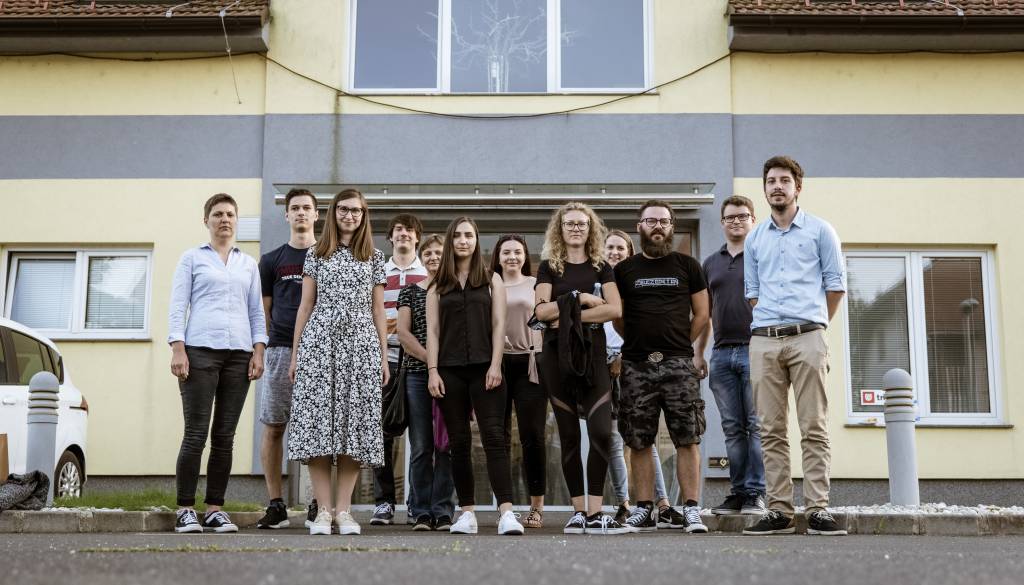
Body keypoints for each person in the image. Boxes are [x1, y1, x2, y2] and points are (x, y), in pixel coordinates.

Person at [742, 156, 847, 536]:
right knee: (770, 430)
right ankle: (780, 511)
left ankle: (817, 508)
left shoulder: (821, 231)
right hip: (764, 340)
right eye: (771, 181)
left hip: (808, 337)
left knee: (813, 426)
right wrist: (772, 326)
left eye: (784, 180)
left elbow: (835, 286)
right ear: (765, 188)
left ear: (797, 187)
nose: (777, 186)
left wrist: (814, 325)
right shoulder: (755, 238)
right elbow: (752, 293)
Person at [287, 188, 389, 536]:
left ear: (364, 215)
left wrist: (383, 356)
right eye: (344, 209)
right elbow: (305, 305)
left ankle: (344, 511)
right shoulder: (316, 253)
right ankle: (323, 511)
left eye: (356, 210)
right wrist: (296, 354)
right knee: (319, 427)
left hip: (361, 346)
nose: (349, 215)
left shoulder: (374, 256)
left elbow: (379, 310)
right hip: (320, 344)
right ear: (333, 213)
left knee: (354, 428)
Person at [168, 193, 267, 534]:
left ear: (236, 220)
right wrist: (177, 348)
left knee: (225, 436)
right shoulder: (192, 258)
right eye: (218, 214)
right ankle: (185, 509)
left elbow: (256, 311)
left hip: (239, 355)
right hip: (199, 352)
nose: (224, 219)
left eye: (230, 214)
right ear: (206, 220)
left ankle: (214, 510)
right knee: (195, 433)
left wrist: (258, 351)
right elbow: (178, 305)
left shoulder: (248, 264)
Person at [614, 200, 710, 534]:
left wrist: (680, 344)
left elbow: (702, 314)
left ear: (672, 226)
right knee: (639, 438)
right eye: (651, 221)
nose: (658, 226)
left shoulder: (688, 265)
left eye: (664, 221)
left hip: (679, 365)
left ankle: (692, 508)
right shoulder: (624, 270)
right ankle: (644, 508)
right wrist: (638, 343)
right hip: (636, 365)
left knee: (688, 436)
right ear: (639, 226)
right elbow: (618, 317)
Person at [426, 217, 524, 536]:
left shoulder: (492, 279)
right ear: (450, 241)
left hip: (486, 369)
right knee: (458, 442)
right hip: (449, 371)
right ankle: (467, 513)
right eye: (457, 235)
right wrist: (432, 371)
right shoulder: (437, 284)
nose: (463, 240)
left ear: (476, 240)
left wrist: (496, 365)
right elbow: (433, 332)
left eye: (468, 235)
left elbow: (498, 325)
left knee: (494, 437)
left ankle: (506, 512)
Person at [534, 202, 628, 535]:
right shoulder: (548, 267)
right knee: (569, 435)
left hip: (593, 356)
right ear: (559, 229)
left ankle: (596, 511)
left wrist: (568, 315)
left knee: (601, 431)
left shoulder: (602, 267)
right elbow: (540, 313)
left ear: (591, 229)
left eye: (582, 224)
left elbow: (614, 309)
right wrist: (583, 298)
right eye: (570, 223)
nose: (576, 228)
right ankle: (578, 511)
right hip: (556, 357)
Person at [693, 196, 766, 517]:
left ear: (753, 220)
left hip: (756, 349)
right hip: (721, 355)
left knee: (756, 425)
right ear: (722, 223)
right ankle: (738, 493)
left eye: (742, 216)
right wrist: (699, 353)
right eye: (730, 217)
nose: (736, 221)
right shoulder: (711, 263)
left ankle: (756, 494)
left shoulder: (763, 256)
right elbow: (704, 314)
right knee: (732, 428)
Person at [603, 230, 679, 527]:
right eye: (610, 247)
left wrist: (623, 356)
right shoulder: (598, 283)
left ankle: (662, 504)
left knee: (643, 439)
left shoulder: (633, 280)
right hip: (601, 367)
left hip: (631, 362)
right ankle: (623, 504)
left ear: (629, 252)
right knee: (612, 440)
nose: (614, 252)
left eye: (620, 248)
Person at [255, 188, 319, 530]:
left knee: (318, 429)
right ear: (287, 215)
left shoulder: (328, 257)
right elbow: (264, 312)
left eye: (307, 207)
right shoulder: (271, 260)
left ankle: (317, 504)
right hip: (280, 350)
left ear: (316, 214)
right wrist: (267, 348)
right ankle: (276, 504)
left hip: (320, 350)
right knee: (274, 426)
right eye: (295, 208)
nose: (301, 213)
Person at [372, 214, 428, 526]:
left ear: (417, 237)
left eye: (409, 230)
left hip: (418, 362)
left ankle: (417, 504)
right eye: (398, 230)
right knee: (383, 433)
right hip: (388, 360)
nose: (404, 234)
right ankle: (384, 502)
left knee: (421, 436)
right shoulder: (378, 271)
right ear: (390, 237)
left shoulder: (427, 272)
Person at [397, 234, 455, 531]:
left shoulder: (456, 290)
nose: (433, 257)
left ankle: (442, 510)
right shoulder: (409, 291)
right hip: (417, 375)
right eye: (428, 253)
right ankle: (420, 510)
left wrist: (444, 366)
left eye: (438, 252)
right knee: (421, 446)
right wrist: (431, 361)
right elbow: (403, 334)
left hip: (452, 376)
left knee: (447, 445)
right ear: (422, 258)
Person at [491, 234, 547, 529]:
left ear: (525, 255)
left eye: (517, 252)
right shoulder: (490, 285)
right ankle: (505, 508)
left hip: (530, 363)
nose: (512, 257)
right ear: (498, 257)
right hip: (497, 364)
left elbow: (546, 321)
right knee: (498, 437)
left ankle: (536, 506)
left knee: (532, 435)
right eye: (506, 252)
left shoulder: (536, 284)